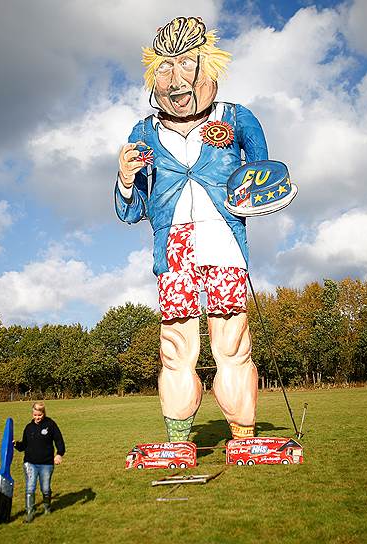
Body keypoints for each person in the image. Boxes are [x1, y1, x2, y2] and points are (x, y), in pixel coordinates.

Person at [114, 17, 267, 442]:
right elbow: (132, 211)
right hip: (174, 247)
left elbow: (264, 181)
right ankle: (178, 439)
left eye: (186, 64)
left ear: (209, 67)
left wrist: (260, 191)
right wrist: (125, 179)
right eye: (164, 68)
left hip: (223, 242)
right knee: (177, 346)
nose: (176, 79)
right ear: (152, 77)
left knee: (232, 341)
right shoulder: (144, 130)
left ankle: (244, 433)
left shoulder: (238, 118)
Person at [13, 401, 65, 523]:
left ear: (43, 413)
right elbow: (24, 445)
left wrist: (59, 454)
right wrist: (15, 444)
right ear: (32, 414)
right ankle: (29, 513)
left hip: (46, 464)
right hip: (30, 463)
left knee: (45, 488)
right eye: (35, 415)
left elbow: (59, 441)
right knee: (30, 488)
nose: (37, 417)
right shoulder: (28, 427)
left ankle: (47, 508)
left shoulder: (50, 424)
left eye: (39, 415)